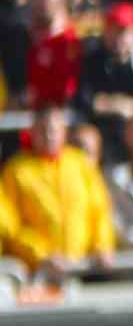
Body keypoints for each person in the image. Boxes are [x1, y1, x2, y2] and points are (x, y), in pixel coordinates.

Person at [0, 105, 117, 278]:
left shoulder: (81, 164)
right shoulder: (16, 171)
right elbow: (9, 226)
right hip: (38, 272)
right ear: (32, 132)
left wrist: (102, 245)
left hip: (86, 268)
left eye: (54, 130)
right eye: (42, 130)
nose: (49, 136)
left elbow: (100, 211)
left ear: (64, 133)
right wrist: (41, 254)